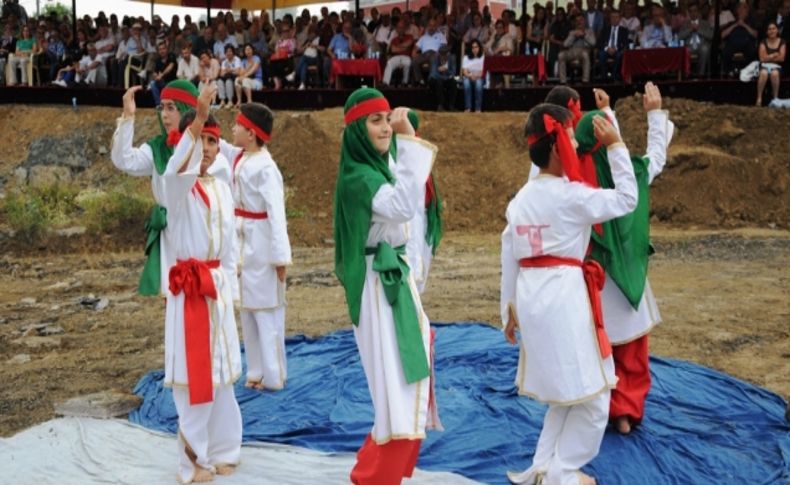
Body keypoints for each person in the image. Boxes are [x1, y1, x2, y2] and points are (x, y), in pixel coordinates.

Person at [502, 102, 636, 485]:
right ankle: (562, 473)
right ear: (558, 145)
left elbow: (510, 252)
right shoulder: (572, 197)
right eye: (572, 139)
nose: (577, 146)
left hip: (532, 297)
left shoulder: (520, 200)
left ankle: (542, 467)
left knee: (565, 394)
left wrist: (508, 308)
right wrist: (617, 146)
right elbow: (627, 199)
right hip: (564, 297)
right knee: (594, 395)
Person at [333, 88, 441, 484]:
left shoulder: (379, 169)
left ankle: (377, 471)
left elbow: (408, 202)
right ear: (357, 130)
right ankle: (377, 475)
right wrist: (409, 141)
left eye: (385, 118)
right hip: (379, 289)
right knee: (397, 382)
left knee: (407, 377)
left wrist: (405, 140)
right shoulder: (359, 177)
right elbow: (401, 205)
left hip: (394, 279)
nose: (384, 127)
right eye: (374, 120)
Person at [573, 83, 674, 435]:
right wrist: (654, 114)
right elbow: (652, 159)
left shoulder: (574, 180)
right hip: (627, 277)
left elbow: (599, 147)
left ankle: (595, 410)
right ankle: (626, 413)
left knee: (596, 347)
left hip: (594, 280)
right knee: (631, 350)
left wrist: (607, 114)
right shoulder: (629, 176)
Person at [157, 86, 242, 484]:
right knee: (196, 376)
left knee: (223, 372)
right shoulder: (176, 186)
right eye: (200, 140)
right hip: (191, 289)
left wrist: (231, 290)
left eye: (212, 140)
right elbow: (178, 168)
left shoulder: (222, 187)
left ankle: (225, 449)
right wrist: (197, 117)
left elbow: (230, 248)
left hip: (217, 288)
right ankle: (191, 461)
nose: (206, 148)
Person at [110, 79, 230, 297]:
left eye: (171, 107)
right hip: (171, 234)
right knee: (174, 290)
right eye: (161, 107)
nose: (164, 115)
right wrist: (128, 117)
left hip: (198, 233)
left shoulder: (210, 150)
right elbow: (123, 160)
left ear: (187, 109)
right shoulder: (157, 148)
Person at [221, 103, 292, 391]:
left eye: (238, 125)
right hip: (242, 241)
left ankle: (274, 376)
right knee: (248, 309)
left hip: (262, 242)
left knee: (266, 311)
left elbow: (277, 214)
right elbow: (221, 146)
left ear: (251, 133)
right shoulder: (240, 157)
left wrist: (280, 257)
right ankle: (255, 370)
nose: (232, 129)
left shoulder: (266, 167)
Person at [405, 111, 444, 294]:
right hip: (409, 217)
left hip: (423, 214)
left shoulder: (418, 149)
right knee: (413, 261)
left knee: (421, 258)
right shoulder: (400, 151)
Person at [679, 3, 713, 77]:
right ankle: (686, 75)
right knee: (684, 50)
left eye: (695, 11)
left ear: (698, 12)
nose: (693, 13)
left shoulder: (705, 23)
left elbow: (711, 36)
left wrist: (698, 30)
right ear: (689, 13)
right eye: (691, 11)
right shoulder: (685, 24)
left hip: (701, 45)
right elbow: (679, 37)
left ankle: (701, 75)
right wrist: (690, 30)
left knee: (705, 49)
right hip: (689, 46)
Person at [559, 14, 595, 83]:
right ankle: (562, 81)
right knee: (561, 55)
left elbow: (593, 43)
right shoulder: (572, 32)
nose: (579, 22)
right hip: (572, 51)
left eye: (581, 20)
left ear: (584, 21)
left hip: (583, 51)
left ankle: (585, 80)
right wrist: (574, 36)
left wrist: (584, 35)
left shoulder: (589, 31)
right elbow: (565, 44)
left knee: (585, 55)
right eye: (577, 21)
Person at [756, 22, 785, 105]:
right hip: (764, 66)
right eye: (769, 29)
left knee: (774, 74)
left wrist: (767, 56)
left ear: (777, 30)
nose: (772, 31)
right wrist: (773, 55)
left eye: (773, 28)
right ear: (766, 32)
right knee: (763, 73)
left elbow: (781, 58)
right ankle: (759, 98)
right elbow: (761, 58)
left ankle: (775, 98)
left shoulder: (782, 42)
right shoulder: (763, 42)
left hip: (777, 67)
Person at [412, 18, 447, 86]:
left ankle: (431, 80)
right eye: (430, 26)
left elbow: (444, 47)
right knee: (414, 61)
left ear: (436, 27)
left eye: (434, 26)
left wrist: (438, 53)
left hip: (435, 54)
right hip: (424, 55)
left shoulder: (440, 35)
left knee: (433, 59)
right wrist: (414, 53)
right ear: (427, 27)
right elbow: (415, 48)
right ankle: (420, 80)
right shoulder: (423, 37)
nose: (432, 28)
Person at [597, 10, 629, 81]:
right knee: (601, 55)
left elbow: (626, 44)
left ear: (619, 19)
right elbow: (600, 43)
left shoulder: (624, 30)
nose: (614, 19)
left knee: (619, 55)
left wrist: (616, 49)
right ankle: (604, 77)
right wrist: (607, 48)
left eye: (616, 17)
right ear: (610, 19)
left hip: (617, 50)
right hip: (606, 50)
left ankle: (614, 77)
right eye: (612, 17)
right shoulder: (605, 29)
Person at [382, 20, 414, 86]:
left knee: (407, 63)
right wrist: (404, 47)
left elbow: (409, 43)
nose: (401, 29)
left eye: (402, 27)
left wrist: (397, 47)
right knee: (389, 63)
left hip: (406, 57)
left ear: (405, 28)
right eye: (399, 27)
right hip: (396, 57)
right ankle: (385, 83)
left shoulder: (410, 36)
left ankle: (405, 83)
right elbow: (393, 50)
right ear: (396, 29)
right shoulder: (394, 39)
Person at [428, 45, 457, 111]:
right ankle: (440, 105)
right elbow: (433, 74)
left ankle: (451, 105)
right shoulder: (434, 58)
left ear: (448, 53)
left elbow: (453, 72)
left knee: (454, 82)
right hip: (435, 79)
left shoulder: (452, 58)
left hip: (446, 77)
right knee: (439, 82)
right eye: (441, 54)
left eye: (445, 54)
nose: (443, 56)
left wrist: (446, 70)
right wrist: (443, 74)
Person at [148, 41, 178, 106]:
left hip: (173, 82)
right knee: (152, 84)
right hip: (163, 82)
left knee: (164, 84)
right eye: (160, 49)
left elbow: (170, 66)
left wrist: (161, 75)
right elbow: (155, 72)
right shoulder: (158, 61)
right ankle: (159, 105)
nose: (162, 51)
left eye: (163, 49)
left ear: (166, 49)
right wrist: (155, 76)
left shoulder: (171, 56)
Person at [234, 43, 263, 108]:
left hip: (257, 81)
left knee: (244, 80)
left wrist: (244, 75)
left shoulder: (256, 58)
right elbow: (241, 73)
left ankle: (249, 101)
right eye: (246, 50)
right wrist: (249, 67)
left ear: (252, 50)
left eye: (249, 49)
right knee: (237, 79)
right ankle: (239, 101)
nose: (248, 51)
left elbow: (254, 70)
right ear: (244, 52)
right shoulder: (243, 61)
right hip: (247, 79)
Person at [462, 39, 485, 112]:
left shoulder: (483, 57)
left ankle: (478, 108)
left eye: (476, 47)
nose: (475, 49)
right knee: (466, 84)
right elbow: (464, 71)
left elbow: (482, 71)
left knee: (478, 84)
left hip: (479, 77)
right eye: (473, 47)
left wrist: (476, 76)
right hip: (469, 76)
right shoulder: (466, 58)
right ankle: (468, 107)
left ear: (479, 48)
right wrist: (470, 76)